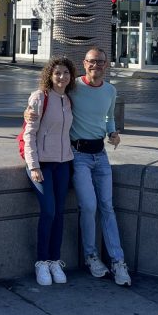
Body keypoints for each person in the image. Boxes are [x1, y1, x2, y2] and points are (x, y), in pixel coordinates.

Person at [67, 46, 131, 286]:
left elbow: (108, 116)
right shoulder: (73, 87)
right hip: (78, 155)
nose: (96, 65)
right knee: (89, 206)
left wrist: (112, 132)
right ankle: (91, 256)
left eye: (101, 62)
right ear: (84, 63)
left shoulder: (110, 91)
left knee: (107, 207)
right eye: (92, 61)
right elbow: (48, 98)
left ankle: (117, 261)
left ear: (107, 65)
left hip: (100, 155)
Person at [23, 57, 77, 286]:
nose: (62, 77)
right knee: (49, 212)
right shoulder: (39, 98)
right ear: (49, 75)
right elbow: (29, 134)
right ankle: (42, 262)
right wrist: (33, 165)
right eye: (57, 73)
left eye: (66, 73)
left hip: (64, 164)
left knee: (59, 214)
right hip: (42, 164)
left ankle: (55, 260)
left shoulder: (68, 99)